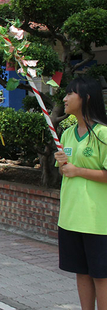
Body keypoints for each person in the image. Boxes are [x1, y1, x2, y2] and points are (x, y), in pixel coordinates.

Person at [54, 76, 107, 310]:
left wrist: (78, 170)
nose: (64, 98)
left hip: (97, 221)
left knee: (101, 276)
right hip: (70, 217)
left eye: (69, 94)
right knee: (82, 273)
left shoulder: (104, 134)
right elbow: (66, 173)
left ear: (85, 98)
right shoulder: (66, 134)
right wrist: (62, 165)